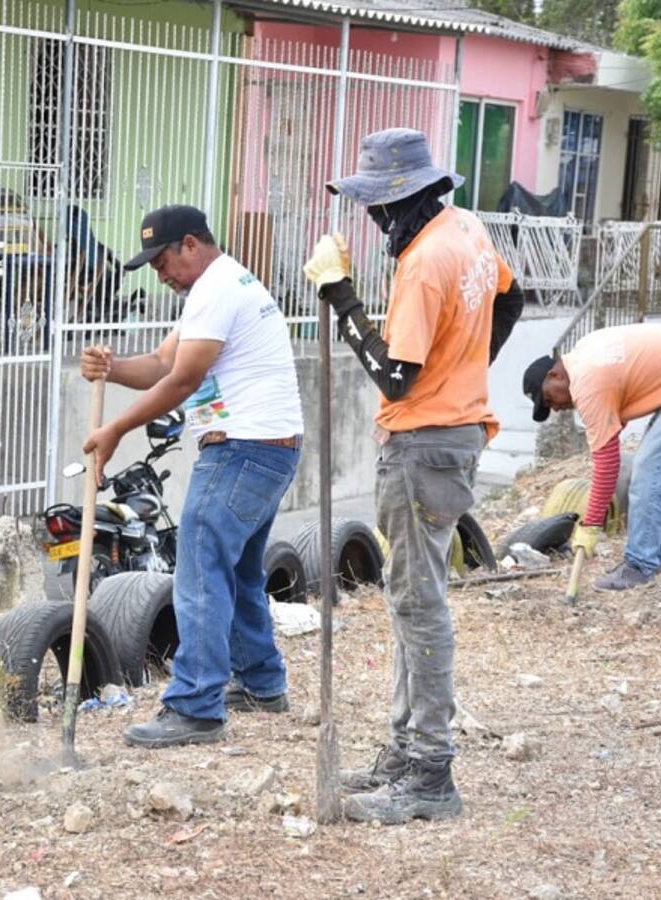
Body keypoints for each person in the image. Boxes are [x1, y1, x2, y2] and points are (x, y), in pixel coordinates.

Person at [303, 128, 524, 824]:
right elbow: (511, 301)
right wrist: (464, 372)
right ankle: (405, 753)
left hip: (423, 443)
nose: (373, 222)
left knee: (419, 602)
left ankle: (430, 771)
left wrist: (339, 295)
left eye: (377, 209)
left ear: (400, 201)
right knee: (410, 598)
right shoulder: (467, 229)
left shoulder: (426, 262)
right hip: (456, 433)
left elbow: (395, 378)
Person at [80, 204, 304, 748]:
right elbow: (161, 365)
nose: (160, 275)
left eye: (162, 262)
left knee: (200, 567)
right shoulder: (220, 286)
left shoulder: (217, 288)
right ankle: (261, 683)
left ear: (190, 245)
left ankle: (196, 706)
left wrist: (116, 429)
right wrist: (112, 368)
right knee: (238, 572)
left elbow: (182, 381)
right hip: (265, 447)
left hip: (243, 448)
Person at [523, 323, 661, 590]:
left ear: (555, 374)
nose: (555, 409)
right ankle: (655, 561)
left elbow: (608, 464)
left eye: (548, 400)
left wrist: (591, 524)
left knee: (649, 472)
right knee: (653, 470)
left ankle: (641, 566)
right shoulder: (586, 355)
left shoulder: (587, 384)